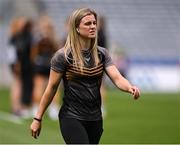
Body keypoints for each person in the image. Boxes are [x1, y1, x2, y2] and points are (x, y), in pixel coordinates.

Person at [30, 7, 140, 144]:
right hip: (71, 117)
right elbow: (51, 88)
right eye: (88, 24)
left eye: (94, 23)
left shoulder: (102, 54)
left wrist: (130, 87)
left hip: (95, 118)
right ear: (76, 28)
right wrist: (38, 118)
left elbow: (117, 78)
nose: (93, 26)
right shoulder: (62, 56)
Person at [31, 15, 60, 120]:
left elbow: (33, 53)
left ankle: (37, 108)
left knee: (40, 86)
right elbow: (57, 51)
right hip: (50, 64)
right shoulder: (53, 37)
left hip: (41, 64)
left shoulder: (38, 37)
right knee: (52, 87)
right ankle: (53, 109)